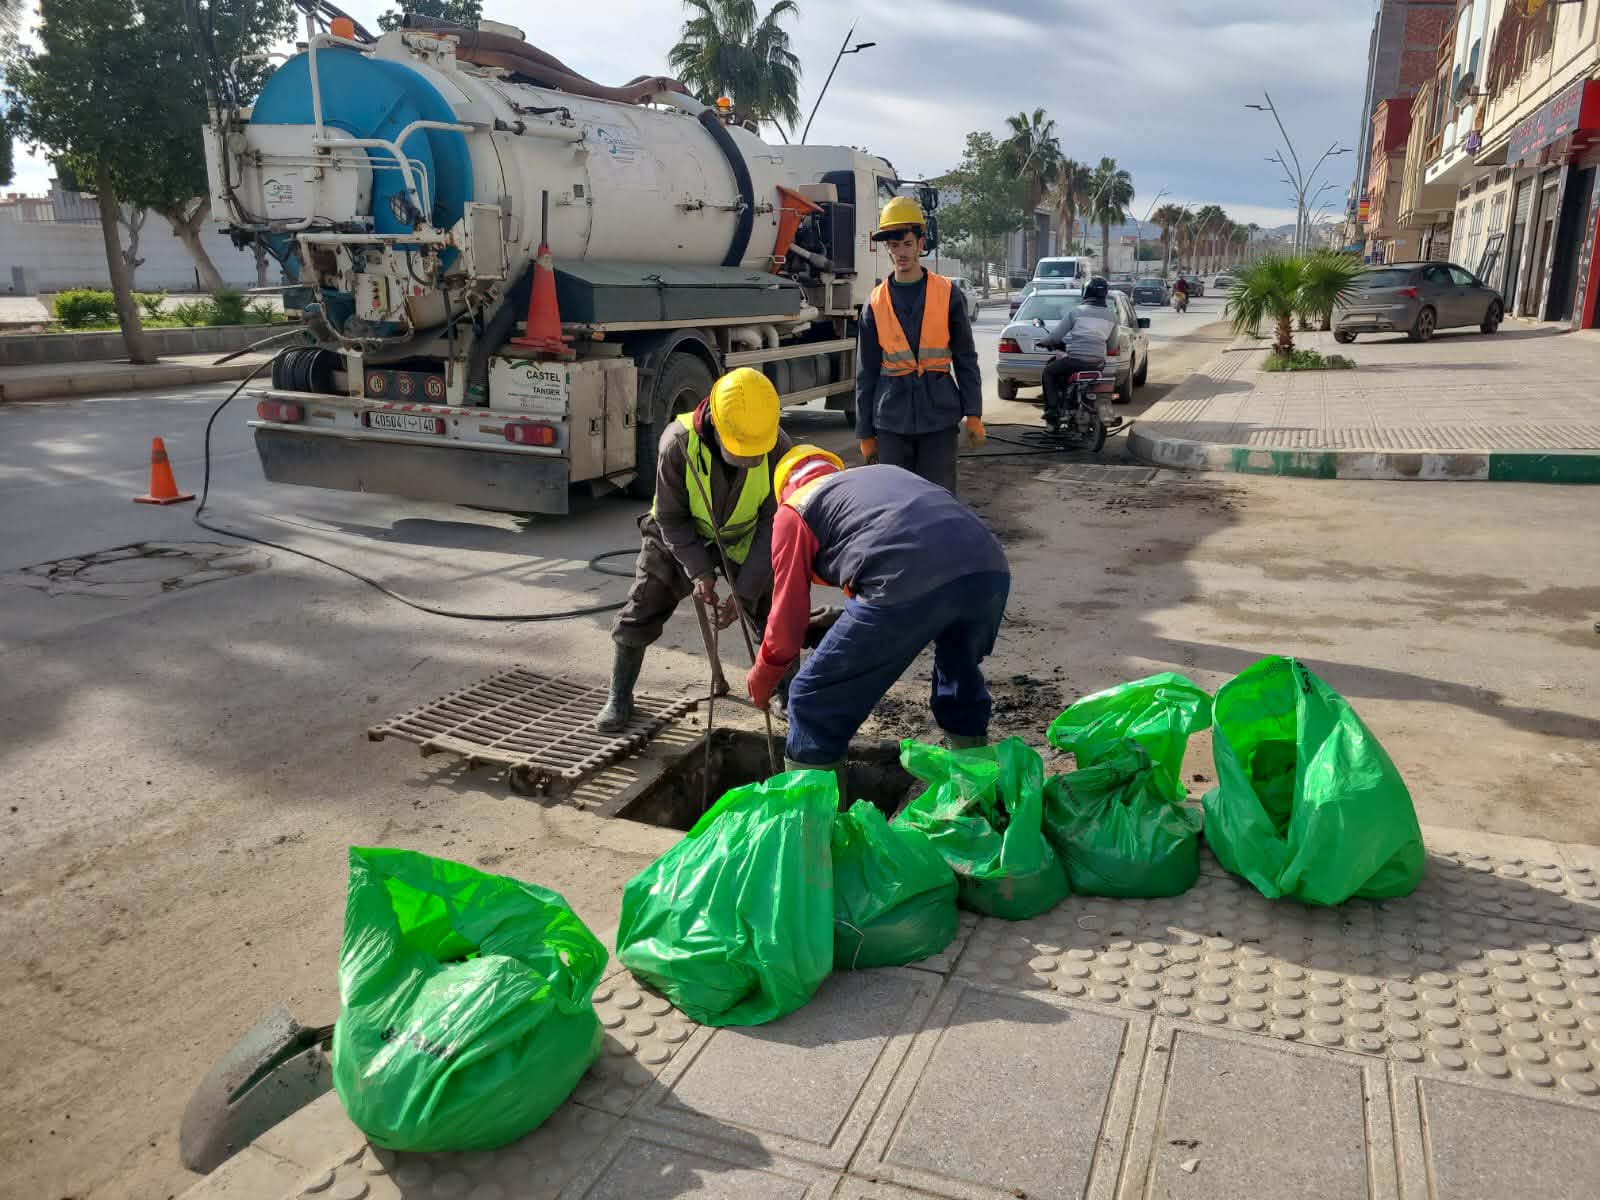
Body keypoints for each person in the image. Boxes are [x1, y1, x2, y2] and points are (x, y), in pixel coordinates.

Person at [746, 445, 1011, 785]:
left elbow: (786, 621)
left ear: (783, 488)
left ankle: (811, 816)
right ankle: (975, 792)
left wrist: (763, 677)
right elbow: (901, 549)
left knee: (813, 700)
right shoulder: (878, 477)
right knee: (958, 675)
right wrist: (840, 620)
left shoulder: (793, 510)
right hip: (989, 571)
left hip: (905, 581)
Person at [596, 367, 793, 731]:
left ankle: (787, 692)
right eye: (742, 452)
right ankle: (619, 696)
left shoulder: (776, 443)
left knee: (777, 611)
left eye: (755, 454)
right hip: (681, 534)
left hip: (747, 534)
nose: (751, 460)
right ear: (716, 425)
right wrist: (700, 572)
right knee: (644, 602)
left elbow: (774, 521)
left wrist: (744, 592)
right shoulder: (677, 444)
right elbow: (670, 517)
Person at [854, 196, 984, 494]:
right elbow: (866, 373)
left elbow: (965, 358)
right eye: (894, 245)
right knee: (894, 501)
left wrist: (974, 413)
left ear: (920, 244)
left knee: (939, 499)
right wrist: (865, 432)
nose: (901, 252)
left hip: (939, 418)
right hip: (891, 420)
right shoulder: (875, 303)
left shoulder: (948, 294)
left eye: (907, 244)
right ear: (887, 248)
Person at [1038, 277, 1121, 428]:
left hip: (1075, 361)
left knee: (1049, 372)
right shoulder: (1112, 317)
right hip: (1097, 364)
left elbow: (1055, 337)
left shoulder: (1076, 312)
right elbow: (1112, 346)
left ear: (1085, 292)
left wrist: (1044, 342)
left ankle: (1053, 410)